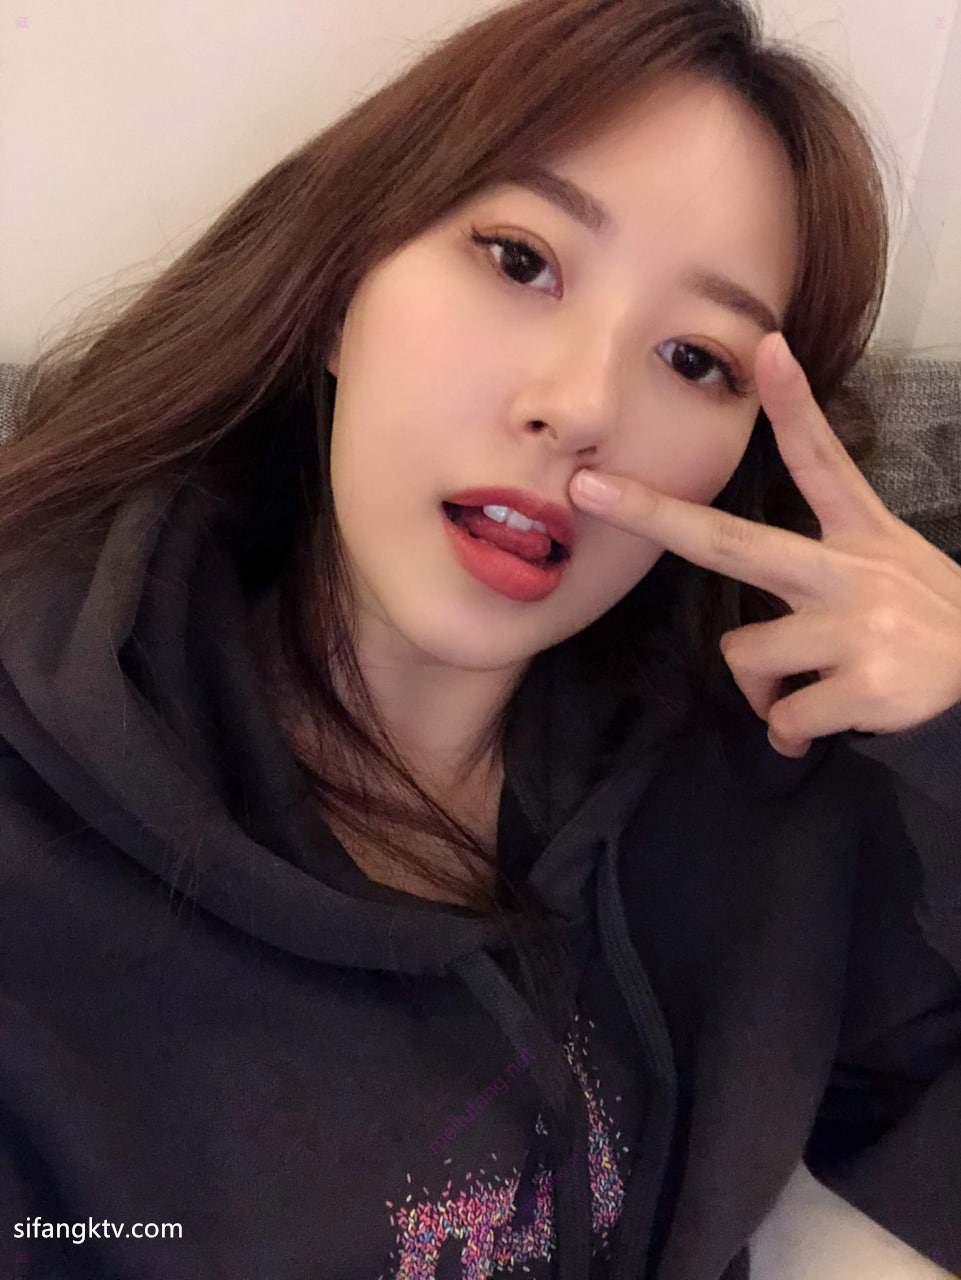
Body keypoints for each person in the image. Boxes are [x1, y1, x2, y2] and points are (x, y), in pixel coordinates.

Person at [1, 0, 959, 1277]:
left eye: (695, 357)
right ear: (339, 293)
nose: (580, 405)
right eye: (519, 260)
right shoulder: (38, 859)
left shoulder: (746, 799)